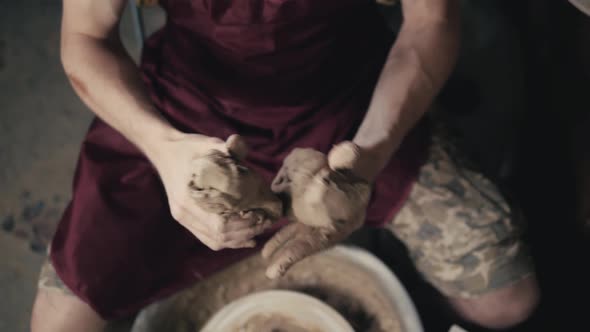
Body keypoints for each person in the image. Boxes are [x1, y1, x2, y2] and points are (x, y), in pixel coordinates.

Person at [31, 0, 539, 331]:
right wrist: (165, 150)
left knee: (507, 302)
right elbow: (85, 39)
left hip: (353, 103)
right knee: (62, 323)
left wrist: (367, 159)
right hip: (185, 111)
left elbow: (431, 23)